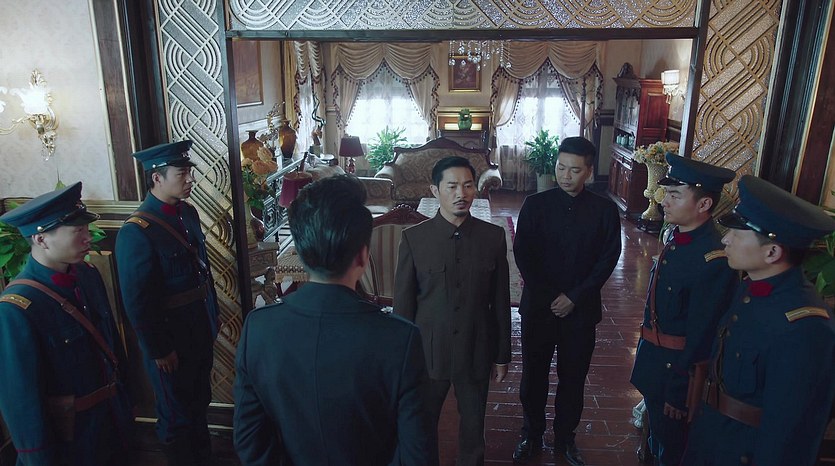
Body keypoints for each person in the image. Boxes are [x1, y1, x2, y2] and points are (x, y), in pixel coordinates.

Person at [233, 175, 436, 465]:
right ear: (363, 256)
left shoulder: (258, 329)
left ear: (301, 253)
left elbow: (250, 441)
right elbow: (417, 454)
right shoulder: (399, 339)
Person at [682, 175, 835, 466]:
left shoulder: (806, 326)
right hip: (714, 436)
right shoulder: (751, 289)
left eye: (737, 234)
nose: (725, 239)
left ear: (772, 252)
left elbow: (793, 432)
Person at [0, 182, 132, 465]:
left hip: (110, 425)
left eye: (86, 229)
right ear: (41, 239)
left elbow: (110, 343)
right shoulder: (17, 307)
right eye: (77, 231)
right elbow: (22, 402)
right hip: (72, 444)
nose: (87, 238)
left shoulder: (87, 275)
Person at [394, 156, 511, 466]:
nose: (462, 193)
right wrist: (401, 360)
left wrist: (502, 355)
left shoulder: (492, 238)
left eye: (468, 185)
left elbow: (500, 301)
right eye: (452, 186)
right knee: (421, 427)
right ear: (435, 191)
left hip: (476, 348)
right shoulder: (415, 239)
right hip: (428, 353)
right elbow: (403, 306)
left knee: (473, 429)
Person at [512, 136, 621, 466]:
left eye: (574, 170)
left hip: (581, 311)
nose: (565, 175)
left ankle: (565, 438)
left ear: (589, 171)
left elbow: (608, 259)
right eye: (561, 167)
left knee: (573, 379)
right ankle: (531, 434)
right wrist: (551, 297)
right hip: (539, 308)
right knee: (533, 376)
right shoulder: (535, 205)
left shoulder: (604, 210)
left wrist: (574, 297)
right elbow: (523, 254)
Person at [629, 153, 738, 465]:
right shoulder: (679, 239)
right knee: (657, 441)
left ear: (704, 204)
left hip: (675, 374)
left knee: (673, 450)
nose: (664, 201)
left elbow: (702, 335)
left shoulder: (713, 259)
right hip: (656, 364)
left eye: (675, 195)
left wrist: (679, 390)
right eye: (667, 193)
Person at [115, 140, 219, 466]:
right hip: (170, 340)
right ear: (157, 178)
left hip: (199, 328)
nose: (190, 179)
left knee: (199, 403)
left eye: (190, 172)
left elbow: (203, 272)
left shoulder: (187, 213)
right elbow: (137, 301)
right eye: (181, 173)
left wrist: (212, 318)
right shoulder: (137, 231)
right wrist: (158, 349)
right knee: (176, 416)